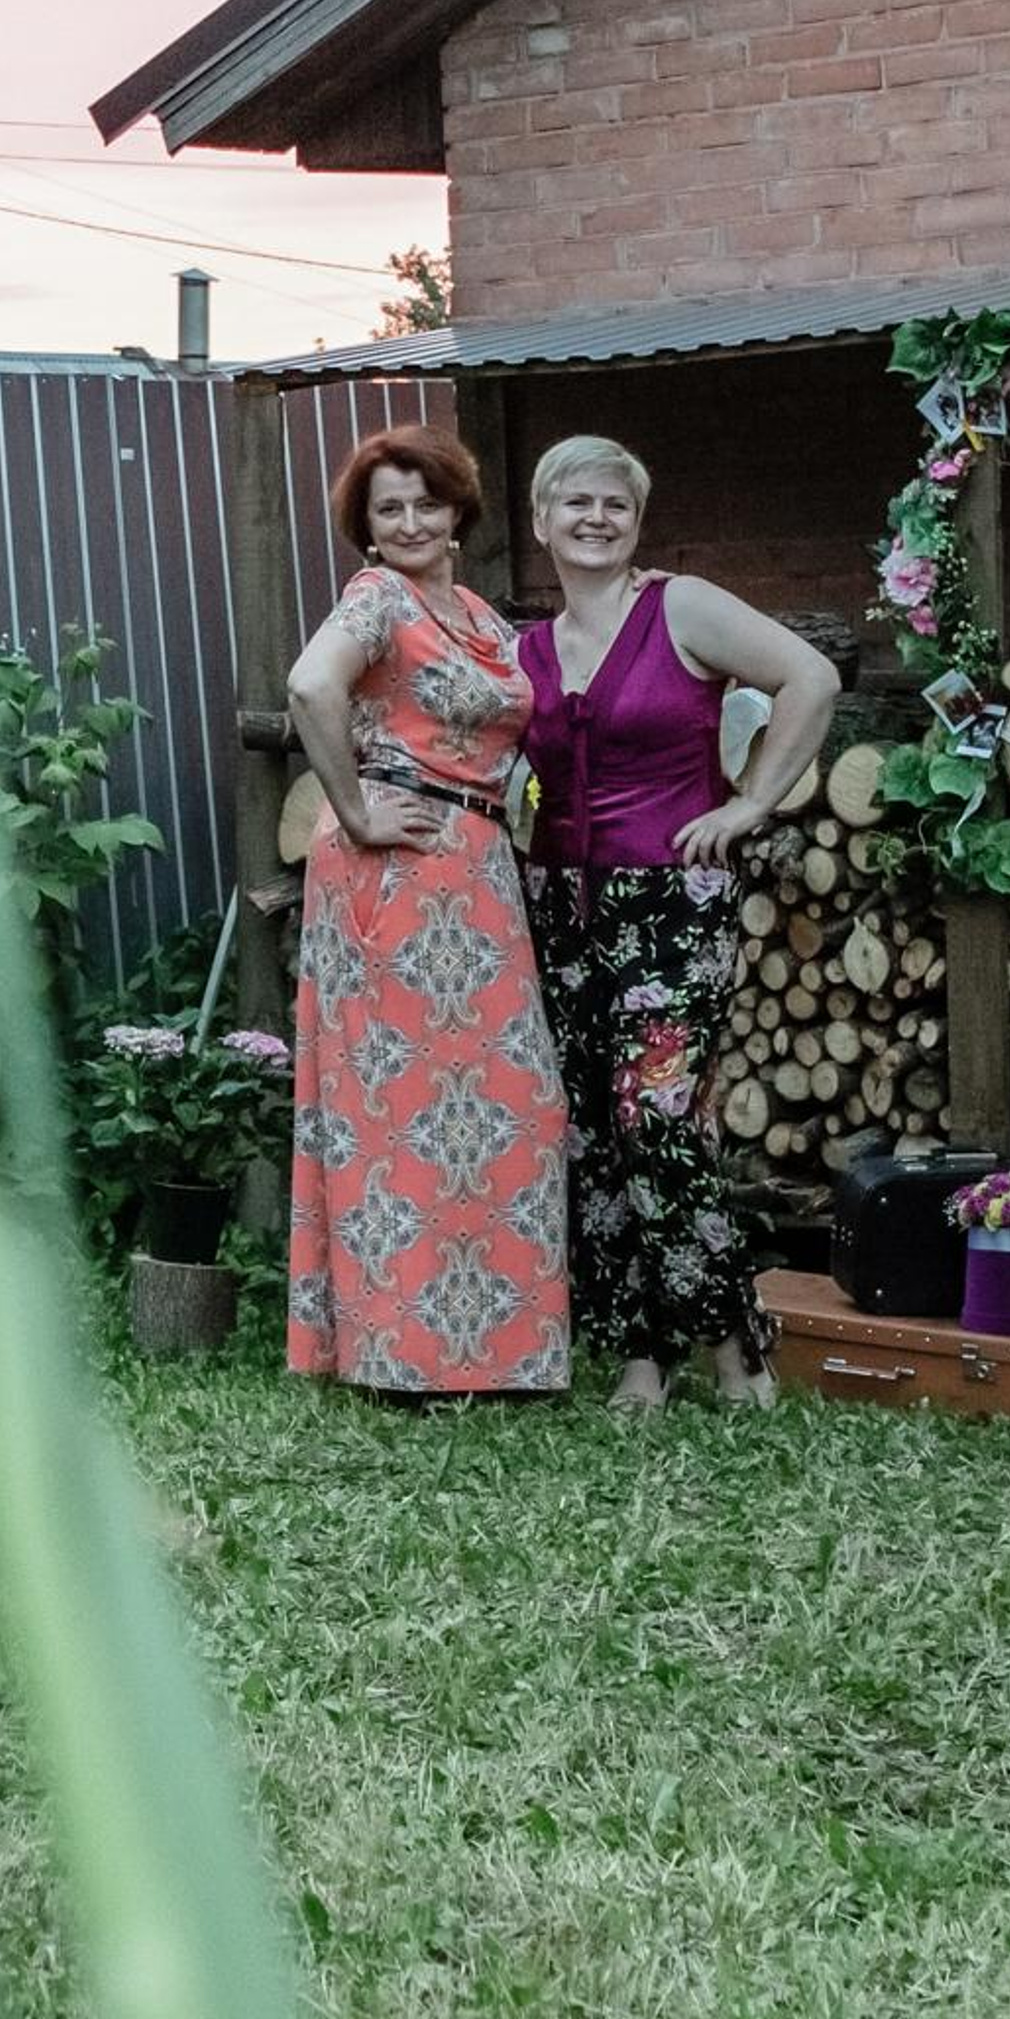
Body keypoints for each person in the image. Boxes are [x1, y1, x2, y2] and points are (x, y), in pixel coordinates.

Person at [518, 435, 841, 1414]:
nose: (596, 518)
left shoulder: (682, 607)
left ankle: (736, 1347)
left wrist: (750, 803)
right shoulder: (525, 648)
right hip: (560, 911)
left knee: (656, 1126)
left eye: (615, 503)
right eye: (575, 503)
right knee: (592, 1141)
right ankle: (640, 1360)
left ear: (638, 520)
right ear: (541, 523)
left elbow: (812, 679)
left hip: (672, 900)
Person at [283, 426, 571, 1396]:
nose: (408, 522)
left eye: (424, 502)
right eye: (387, 510)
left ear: (458, 511)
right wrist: (356, 808)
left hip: (478, 868)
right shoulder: (376, 599)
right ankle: (401, 1353)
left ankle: (493, 1349)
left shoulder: (484, 618)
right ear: (366, 533)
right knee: (400, 1107)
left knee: (510, 1104)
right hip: (396, 869)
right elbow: (309, 685)